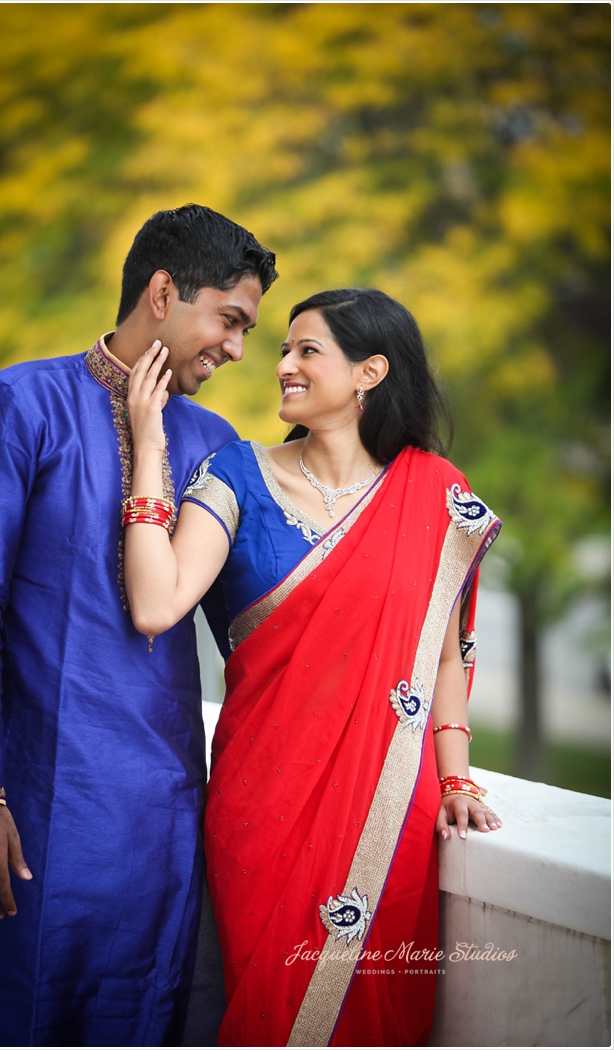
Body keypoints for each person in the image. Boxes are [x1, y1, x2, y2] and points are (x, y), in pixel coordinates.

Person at [0, 204, 278, 1045]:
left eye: (248, 330)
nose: (236, 348)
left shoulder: (216, 443)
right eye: (229, 320)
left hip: (155, 824)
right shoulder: (17, 405)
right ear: (163, 292)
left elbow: (253, 623)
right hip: (25, 810)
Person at [122, 288, 502, 1045]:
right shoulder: (239, 473)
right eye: (284, 349)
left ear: (369, 372)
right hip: (261, 799)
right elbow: (155, 605)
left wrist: (455, 776)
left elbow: (446, 651)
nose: (283, 365)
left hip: (385, 806)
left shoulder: (434, 490)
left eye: (307, 351)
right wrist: (149, 451)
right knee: (266, 1002)